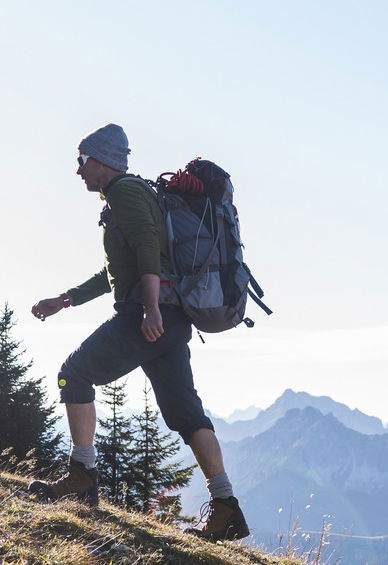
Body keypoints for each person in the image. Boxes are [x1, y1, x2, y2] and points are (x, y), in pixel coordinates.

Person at [27, 124, 250, 542]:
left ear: (102, 160)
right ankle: (226, 508)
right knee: (187, 414)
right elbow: (116, 270)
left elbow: (148, 248)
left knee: (73, 375)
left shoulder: (126, 193)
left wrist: (148, 309)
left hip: (148, 315)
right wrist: (66, 299)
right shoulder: (133, 195)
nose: (78, 170)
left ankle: (82, 475)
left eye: (82, 160)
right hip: (171, 320)